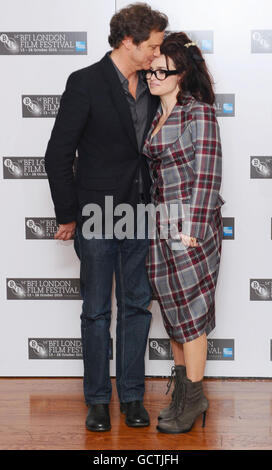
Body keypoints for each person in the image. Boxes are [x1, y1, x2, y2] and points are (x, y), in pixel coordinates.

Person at [44, 3, 168, 432]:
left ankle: (132, 396)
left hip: (141, 211)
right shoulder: (85, 83)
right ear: (128, 41)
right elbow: (57, 154)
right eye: (152, 46)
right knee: (96, 311)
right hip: (96, 214)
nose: (157, 54)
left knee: (136, 307)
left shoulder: (155, 84)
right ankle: (97, 399)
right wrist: (68, 213)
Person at [142, 32, 225, 434]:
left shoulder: (199, 113)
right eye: (151, 70)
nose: (152, 77)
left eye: (162, 71)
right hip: (160, 227)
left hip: (190, 228)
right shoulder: (157, 116)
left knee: (191, 313)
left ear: (182, 73)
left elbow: (208, 175)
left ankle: (195, 397)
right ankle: (181, 393)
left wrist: (193, 228)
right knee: (175, 313)